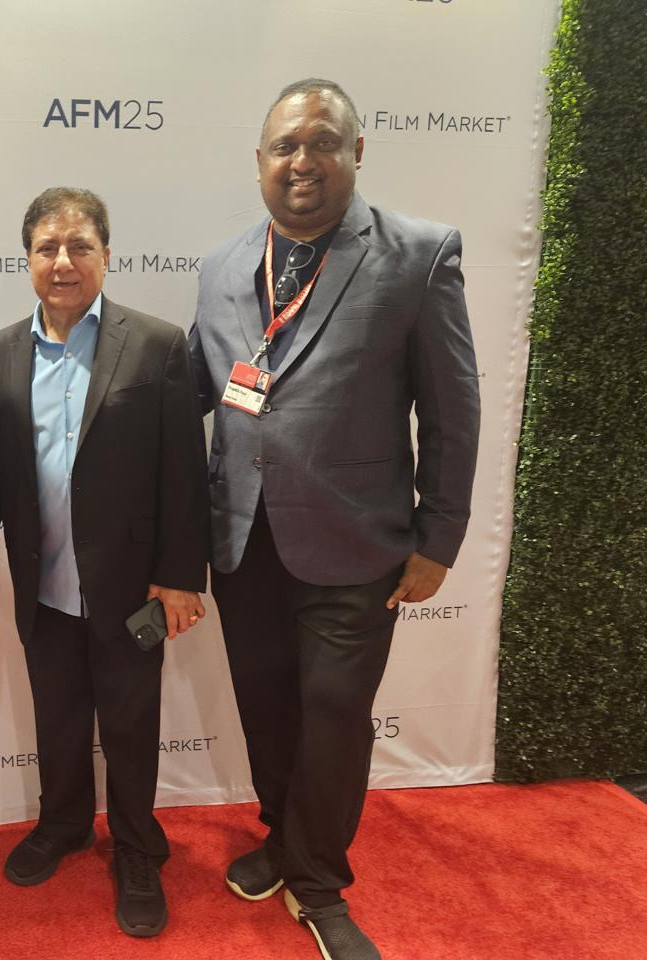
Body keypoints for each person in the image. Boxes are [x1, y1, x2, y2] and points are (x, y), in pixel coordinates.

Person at [188, 79, 480, 960]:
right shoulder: (220, 267)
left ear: (357, 150)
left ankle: (318, 883)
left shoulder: (419, 255)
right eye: (285, 146)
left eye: (322, 142)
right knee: (267, 708)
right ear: (259, 161)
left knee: (334, 716)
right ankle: (283, 836)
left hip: (359, 543)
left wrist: (440, 537)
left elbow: (453, 409)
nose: (302, 161)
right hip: (244, 541)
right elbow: (197, 392)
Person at [0, 187, 208, 938]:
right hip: (44, 584)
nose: (63, 262)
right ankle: (63, 823)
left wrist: (180, 577)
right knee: (58, 716)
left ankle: (135, 846)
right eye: (47, 248)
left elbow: (184, 474)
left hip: (130, 588)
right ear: (27, 259)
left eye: (80, 247)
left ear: (106, 255)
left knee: (130, 722)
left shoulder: (157, 345)